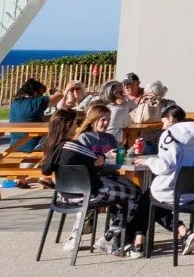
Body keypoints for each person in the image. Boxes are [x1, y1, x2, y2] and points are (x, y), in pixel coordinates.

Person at [122, 103, 194, 258]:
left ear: (171, 119)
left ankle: (138, 244)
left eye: (164, 122)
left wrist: (148, 161)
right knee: (151, 200)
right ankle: (183, 233)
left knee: (145, 200)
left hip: (170, 189)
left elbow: (164, 167)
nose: (163, 126)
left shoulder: (169, 135)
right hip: (191, 191)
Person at [40, 106, 136, 252]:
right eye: (74, 123)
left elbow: (46, 170)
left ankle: (116, 235)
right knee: (134, 193)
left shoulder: (55, 146)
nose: (76, 126)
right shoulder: (75, 146)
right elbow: (97, 161)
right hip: (86, 195)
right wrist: (102, 157)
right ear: (68, 125)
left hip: (63, 196)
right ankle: (111, 237)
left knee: (125, 191)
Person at [4, 78, 50, 162]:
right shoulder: (35, 103)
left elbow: (32, 118)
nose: (42, 96)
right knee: (58, 136)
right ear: (35, 93)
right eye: (41, 94)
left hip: (14, 146)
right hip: (31, 147)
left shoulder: (15, 103)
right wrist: (53, 91)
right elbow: (59, 95)